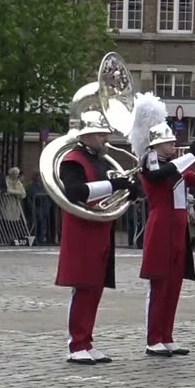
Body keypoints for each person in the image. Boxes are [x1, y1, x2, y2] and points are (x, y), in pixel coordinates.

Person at [55, 114, 141, 364]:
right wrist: (114, 185)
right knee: (82, 286)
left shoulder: (99, 160)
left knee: (95, 286)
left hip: (100, 227)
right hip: (82, 228)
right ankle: (76, 342)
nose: (106, 138)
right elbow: (75, 192)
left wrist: (129, 189)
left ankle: (87, 340)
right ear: (86, 135)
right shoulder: (72, 161)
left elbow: (109, 186)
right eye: (101, 134)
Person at [136, 121, 195, 357]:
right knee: (159, 283)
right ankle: (153, 338)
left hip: (178, 228)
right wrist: (190, 155)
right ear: (157, 144)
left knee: (174, 284)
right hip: (161, 224)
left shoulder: (174, 165)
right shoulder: (150, 160)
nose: (174, 145)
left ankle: (166, 335)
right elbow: (158, 175)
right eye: (169, 142)